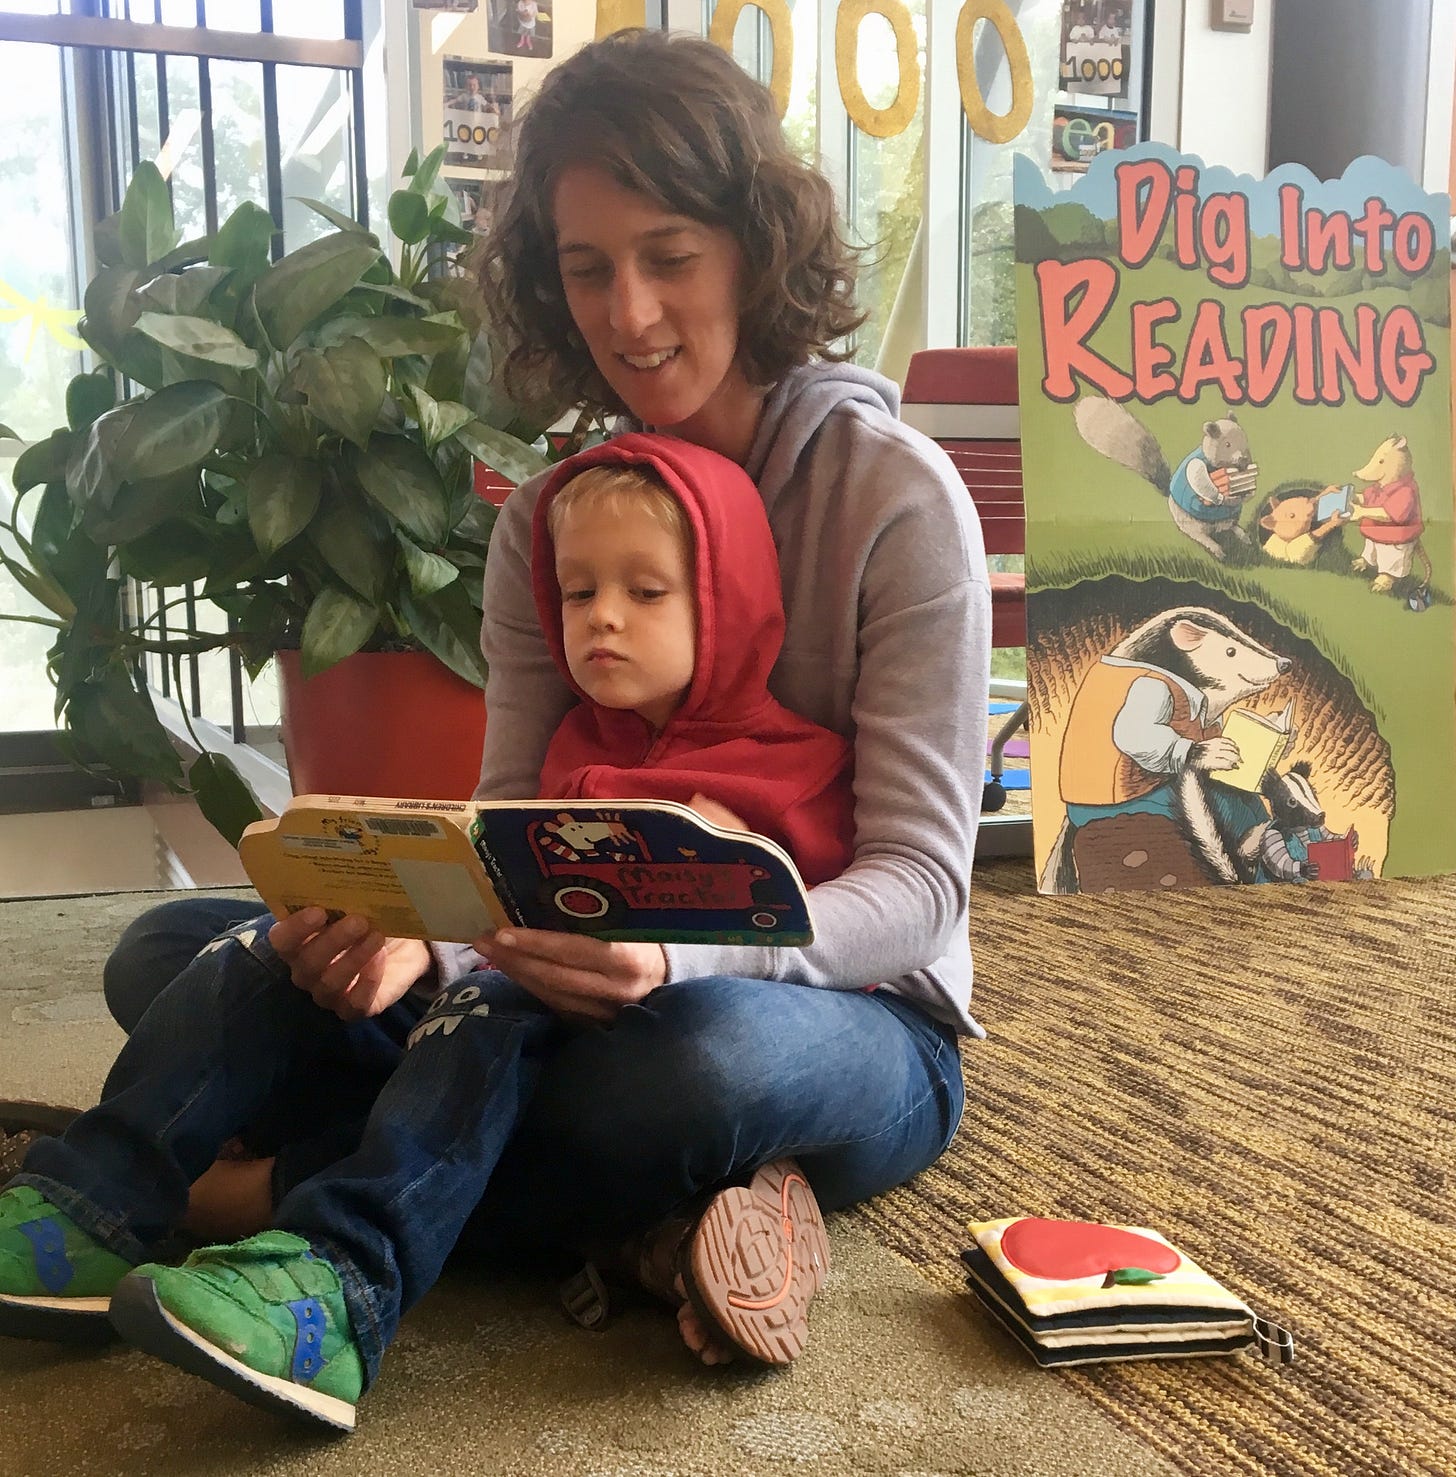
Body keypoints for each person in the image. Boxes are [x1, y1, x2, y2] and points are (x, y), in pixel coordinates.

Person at [4, 25, 989, 1426]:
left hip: (843, 1014)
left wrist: (675, 950)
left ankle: (246, 1200)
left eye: (670, 256)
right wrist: (419, 932)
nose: (628, 312)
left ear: (756, 249)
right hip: (544, 984)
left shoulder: (896, 497)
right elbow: (514, 824)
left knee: (683, 1072)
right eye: (586, 267)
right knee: (181, 956)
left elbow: (922, 887)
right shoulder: (552, 518)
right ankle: (651, 1226)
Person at [0, 431, 858, 1427]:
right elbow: (493, 897)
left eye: (646, 591)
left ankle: (336, 1280)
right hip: (484, 994)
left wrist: (665, 928)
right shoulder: (571, 748)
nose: (602, 617)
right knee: (244, 949)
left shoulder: (788, 770)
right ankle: (88, 1204)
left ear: (732, 601)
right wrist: (400, 930)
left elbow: (789, 953)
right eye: (578, 592)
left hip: (611, 1060)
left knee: (486, 1010)